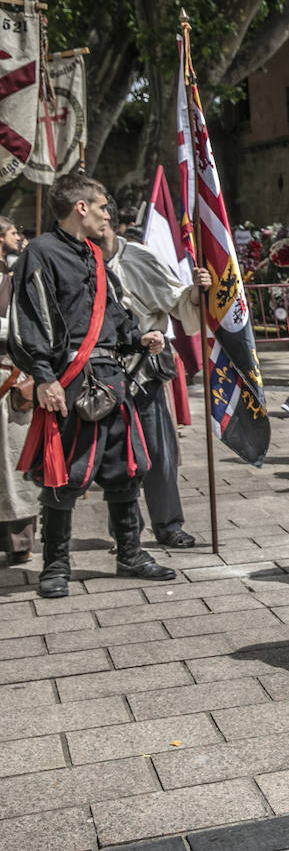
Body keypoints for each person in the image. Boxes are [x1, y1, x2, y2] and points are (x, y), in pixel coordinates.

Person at [6, 173, 177, 598]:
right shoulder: (40, 254)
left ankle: (131, 554)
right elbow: (29, 321)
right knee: (64, 476)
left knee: (125, 471)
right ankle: (56, 566)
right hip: (67, 380)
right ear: (80, 207)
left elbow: (114, 313)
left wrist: (138, 337)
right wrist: (43, 377)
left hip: (112, 379)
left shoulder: (95, 256)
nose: (108, 214)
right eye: (103, 207)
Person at [101, 222, 212, 549]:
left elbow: (178, 300)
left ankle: (168, 525)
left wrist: (197, 290)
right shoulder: (78, 259)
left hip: (144, 372)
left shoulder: (139, 257)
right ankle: (125, 530)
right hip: (102, 373)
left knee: (159, 454)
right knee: (116, 458)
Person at [0, 216, 38, 564]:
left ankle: (19, 544)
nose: (19, 237)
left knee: (14, 463)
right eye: (14, 232)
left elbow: (23, 327)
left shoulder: (15, 280)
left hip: (8, 381)